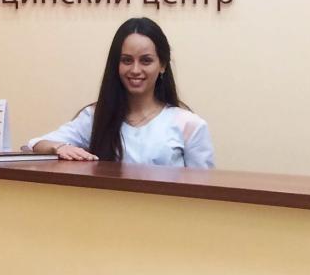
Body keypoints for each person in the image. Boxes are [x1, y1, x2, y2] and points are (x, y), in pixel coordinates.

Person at [28, 18, 215, 168]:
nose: (135, 70)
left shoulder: (189, 125)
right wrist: (60, 147)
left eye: (146, 61)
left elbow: (204, 191)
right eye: (126, 60)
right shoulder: (95, 117)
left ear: (163, 65)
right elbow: (36, 144)